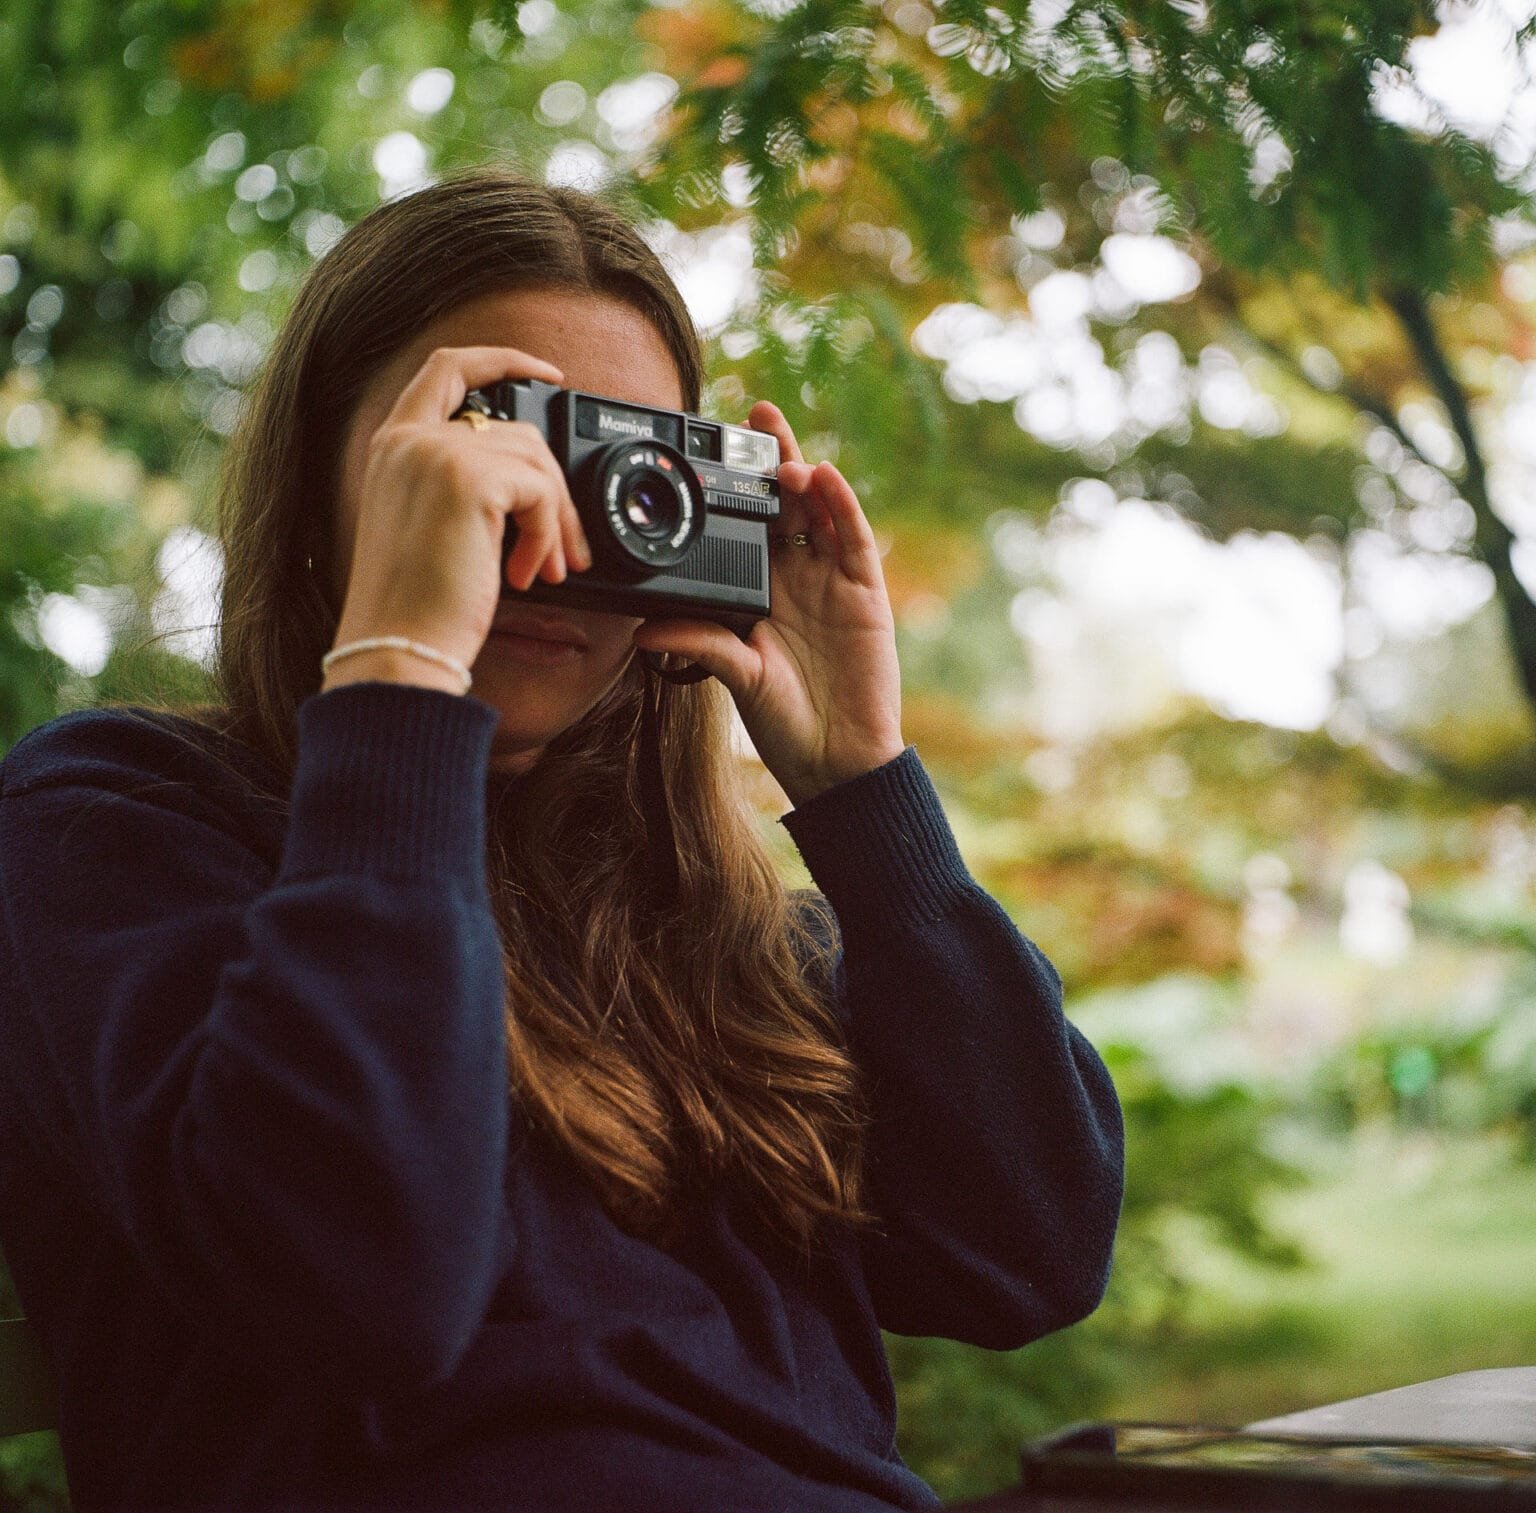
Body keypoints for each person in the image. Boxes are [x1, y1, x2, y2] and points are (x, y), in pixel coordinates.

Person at [0, 166, 1124, 1511]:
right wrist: (404, 669)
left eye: (624, 469)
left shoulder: (713, 916)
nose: (553, 531)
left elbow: (1028, 1255)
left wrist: (866, 797)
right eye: (493, 448)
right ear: (323, 481)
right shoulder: (116, 820)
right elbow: (360, 1289)